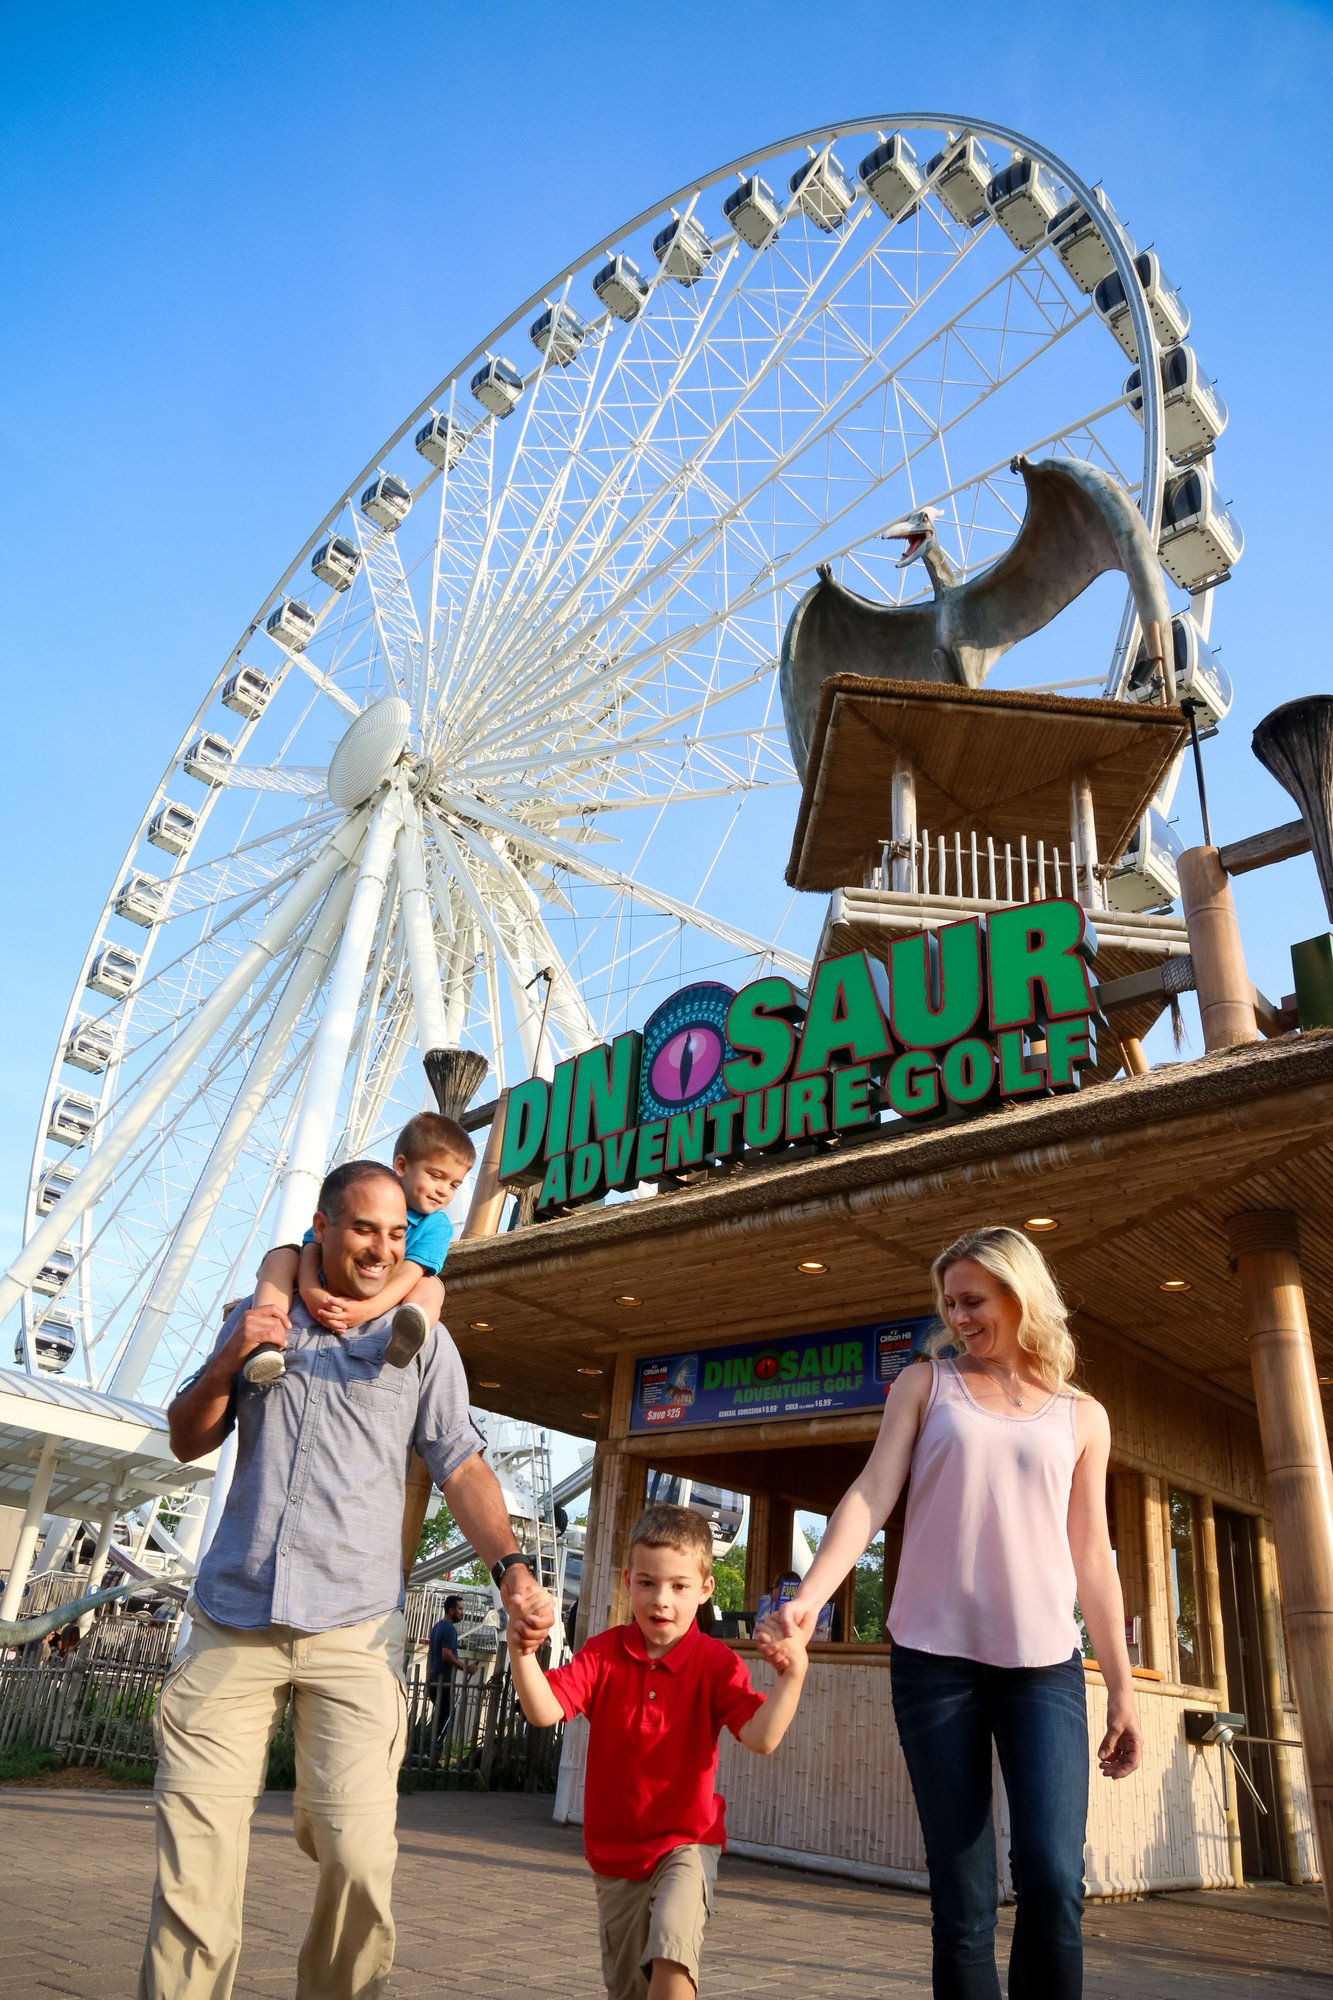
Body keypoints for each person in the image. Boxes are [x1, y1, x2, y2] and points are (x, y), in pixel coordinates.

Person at [139, 1158, 554, 2000]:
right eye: (363, 1229)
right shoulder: (258, 1312)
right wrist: (234, 1358)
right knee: (194, 1874)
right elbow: (187, 1437)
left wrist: (509, 1565)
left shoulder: (419, 1341)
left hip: (354, 1631)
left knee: (360, 1858)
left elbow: (461, 1462)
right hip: (234, 1621)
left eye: (397, 1234)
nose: (379, 1249)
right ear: (320, 1228)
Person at [758, 1225, 1142, 2000]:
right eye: (949, 1302)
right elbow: (870, 1495)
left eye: (974, 1300)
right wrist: (809, 1599)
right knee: (963, 1901)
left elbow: (1092, 1555)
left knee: (1052, 1879)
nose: (958, 1316)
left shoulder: (1082, 1416)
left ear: (1019, 1293)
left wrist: (1124, 1689)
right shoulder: (925, 1385)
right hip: (934, 1663)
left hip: (1044, 1668)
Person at [509, 1502, 808, 2000]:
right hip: (615, 1859)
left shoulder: (716, 1664)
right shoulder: (603, 1653)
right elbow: (543, 1710)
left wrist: (791, 1678)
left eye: (679, 1586)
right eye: (647, 1583)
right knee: (629, 1989)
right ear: (629, 1581)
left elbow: (762, 1737)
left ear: (705, 1589)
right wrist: (522, 1654)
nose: (660, 1600)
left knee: (672, 1962)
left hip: (686, 1844)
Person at [249, 1111, 475, 1378]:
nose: (444, 1190)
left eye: (454, 1185)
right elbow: (312, 1245)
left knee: (430, 1285)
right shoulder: (363, 1198)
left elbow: (408, 1274)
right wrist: (312, 1295)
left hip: (387, 1290)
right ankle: (264, 1343)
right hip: (330, 1279)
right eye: (436, 1176)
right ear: (402, 1166)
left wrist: (367, 1310)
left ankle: (410, 1331)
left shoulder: (436, 1226)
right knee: (282, 1256)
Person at [425, 1592, 470, 1749]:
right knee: (444, 1719)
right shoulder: (449, 1629)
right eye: (459, 1609)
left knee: (440, 1717)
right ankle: (433, 1752)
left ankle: (428, 1749)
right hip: (442, 1681)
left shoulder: (437, 1627)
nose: (461, 1612)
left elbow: (432, 1654)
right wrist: (466, 1668)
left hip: (433, 1678)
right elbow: (446, 1654)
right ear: (451, 1610)